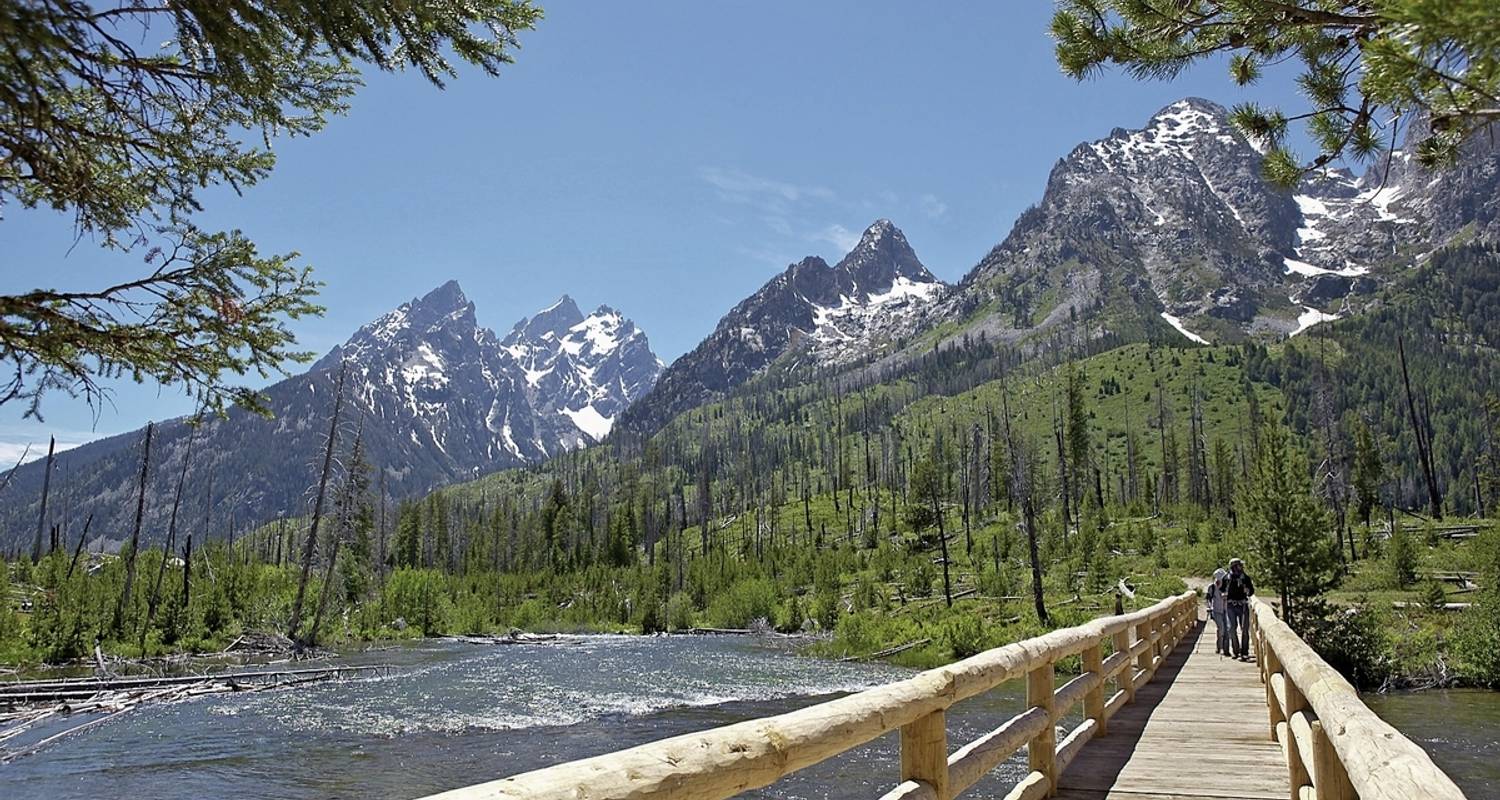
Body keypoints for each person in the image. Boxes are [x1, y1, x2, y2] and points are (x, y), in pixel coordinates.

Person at [1224, 557, 1255, 660]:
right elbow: (1222, 589)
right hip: (1231, 605)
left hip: (1243, 605)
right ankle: (1236, 651)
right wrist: (1223, 593)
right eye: (1239, 565)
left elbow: (1251, 592)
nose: (1241, 567)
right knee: (1232, 628)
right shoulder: (1227, 578)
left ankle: (1244, 652)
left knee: (1244, 629)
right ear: (1234, 566)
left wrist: (1248, 590)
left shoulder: (1245, 578)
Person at [1205, 568, 1230, 656]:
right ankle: (1219, 647)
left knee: (1227, 630)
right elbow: (1208, 598)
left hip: (1226, 610)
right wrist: (1209, 607)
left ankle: (1226, 650)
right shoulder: (1212, 587)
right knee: (1221, 628)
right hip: (1216, 610)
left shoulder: (1228, 586)